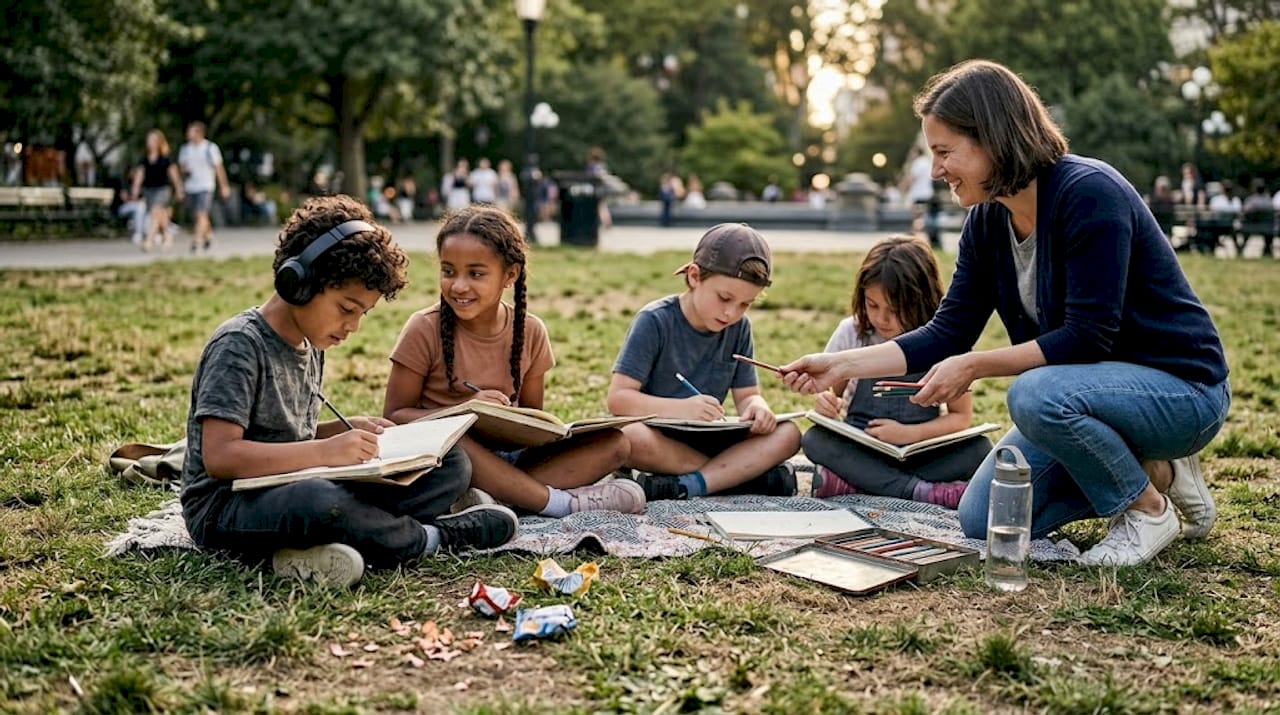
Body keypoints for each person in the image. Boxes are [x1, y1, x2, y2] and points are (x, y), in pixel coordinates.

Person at [780, 60, 1229, 567]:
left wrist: (974, 366)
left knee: (1032, 394)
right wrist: (840, 365)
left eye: (945, 152)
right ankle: (1162, 475)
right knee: (986, 518)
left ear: (992, 138)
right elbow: (949, 331)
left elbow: (1087, 338)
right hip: (1080, 397)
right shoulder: (987, 222)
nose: (935, 171)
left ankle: (1146, 510)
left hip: (1181, 392)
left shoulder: (1089, 193)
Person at [179, 195, 518, 587]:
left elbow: (286, 436)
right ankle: (432, 538)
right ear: (301, 281)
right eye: (346, 308)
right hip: (226, 508)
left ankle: (335, 544)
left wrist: (337, 432)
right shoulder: (239, 344)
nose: (353, 326)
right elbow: (222, 456)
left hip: (292, 479)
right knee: (319, 501)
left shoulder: (309, 343)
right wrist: (323, 452)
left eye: (362, 313)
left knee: (452, 465)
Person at [383, 205, 645, 517]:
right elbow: (394, 417)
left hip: (510, 457)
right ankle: (558, 503)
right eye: (448, 271)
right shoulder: (424, 327)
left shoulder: (530, 331)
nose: (459, 285)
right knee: (459, 440)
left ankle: (493, 500)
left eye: (476, 274)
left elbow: (535, 420)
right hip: (446, 460)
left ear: (510, 275)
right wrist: (464, 411)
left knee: (615, 444)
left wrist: (519, 423)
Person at [607, 223, 802, 501]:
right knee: (625, 436)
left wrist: (758, 409)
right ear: (695, 277)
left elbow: (747, 396)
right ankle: (739, 476)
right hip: (660, 437)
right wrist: (682, 410)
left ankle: (690, 483)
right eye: (725, 298)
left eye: (745, 304)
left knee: (789, 434)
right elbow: (618, 399)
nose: (731, 313)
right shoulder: (654, 320)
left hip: (714, 438)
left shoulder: (739, 327)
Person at [803, 236, 992, 507]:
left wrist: (909, 435)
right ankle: (920, 492)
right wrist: (825, 405)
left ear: (921, 299)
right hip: (863, 448)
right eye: (872, 305)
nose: (881, 319)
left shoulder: (946, 341)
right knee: (814, 440)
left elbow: (960, 417)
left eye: (895, 309)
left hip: (918, 450)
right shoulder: (852, 332)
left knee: (980, 450)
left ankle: (856, 484)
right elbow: (830, 397)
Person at [178, 121, 230, 253]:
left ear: (199, 133)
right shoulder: (185, 149)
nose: (188, 133)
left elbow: (218, 168)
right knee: (198, 216)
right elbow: (181, 168)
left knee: (201, 213)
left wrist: (224, 186)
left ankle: (196, 241)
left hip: (206, 185)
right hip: (191, 186)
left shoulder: (210, 148)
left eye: (191, 131)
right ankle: (208, 236)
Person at [130, 130, 184, 252]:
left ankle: (149, 240)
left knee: (155, 212)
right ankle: (168, 236)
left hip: (163, 189)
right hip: (149, 190)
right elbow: (139, 175)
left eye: (153, 140)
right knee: (161, 216)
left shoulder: (166, 158)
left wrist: (179, 189)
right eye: (149, 140)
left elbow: (174, 176)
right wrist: (135, 190)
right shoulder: (144, 159)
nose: (150, 142)